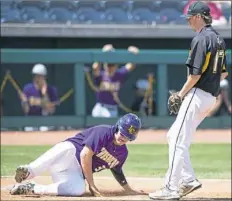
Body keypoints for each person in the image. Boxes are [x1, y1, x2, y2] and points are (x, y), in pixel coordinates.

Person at [149, 1, 228, 200]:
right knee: (173, 136)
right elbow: (224, 74)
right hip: (209, 96)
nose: (189, 22)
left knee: (177, 140)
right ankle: (188, 178)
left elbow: (194, 75)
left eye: (191, 18)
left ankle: (171, 188)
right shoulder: (218, 39)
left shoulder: (201, 39)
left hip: (197, 94)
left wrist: (179, 94)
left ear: (199, 16)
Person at [10, 113, 143, 197]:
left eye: (128, 136)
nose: (123, 138)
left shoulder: (122, 153)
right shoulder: (103, 132)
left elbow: (117, 170)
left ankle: (32, 189)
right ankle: (28, 171)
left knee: (77, 190)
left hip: (75, 172)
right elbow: (85, 155)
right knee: (67, 148)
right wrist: (92, 185)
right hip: (68, 156)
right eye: (122, 133)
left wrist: (128, 189)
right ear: (118, 126)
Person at [91, 44, 139, 118]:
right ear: (104, 65)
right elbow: (95, 67)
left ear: (116, 65)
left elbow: (131, 65)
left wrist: (133, 53)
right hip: (100, 107)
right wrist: (103, 53)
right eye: (108, 65)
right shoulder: (101, 75)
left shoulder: (119, 74)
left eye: (112, 65)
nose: (110, 67)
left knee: (109, 126)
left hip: (112, 109)